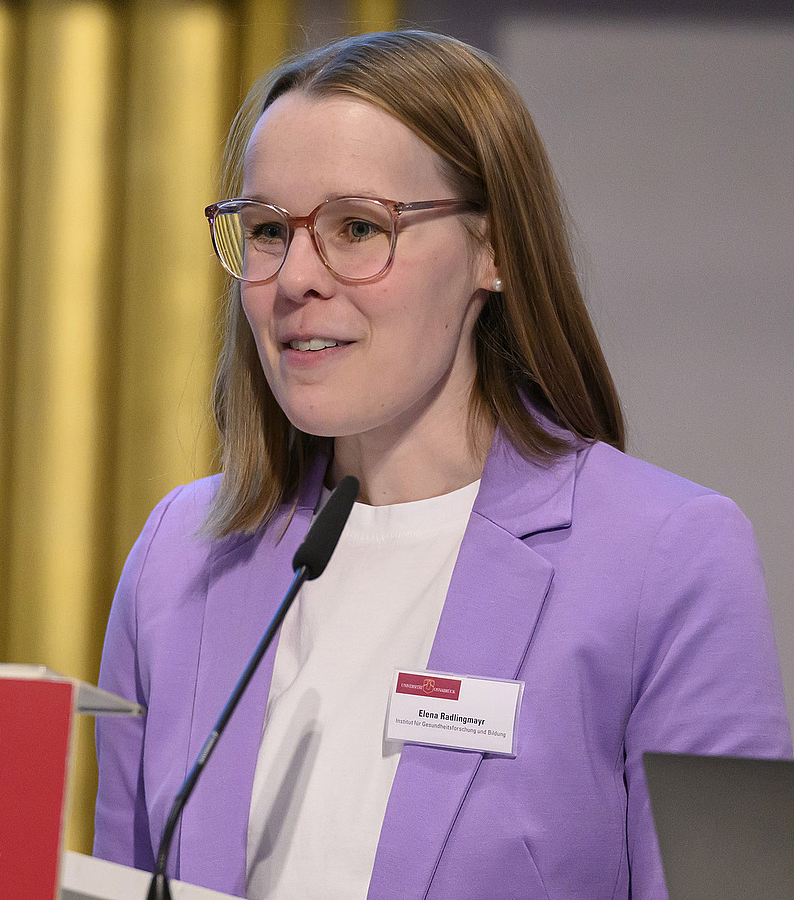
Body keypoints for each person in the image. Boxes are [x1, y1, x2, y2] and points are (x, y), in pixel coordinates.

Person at [92, 29, 791, 900]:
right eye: (269, 230)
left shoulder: (665, 559)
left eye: (356, 228)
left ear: (492, 251)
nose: (296, 277)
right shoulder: (179, 559)